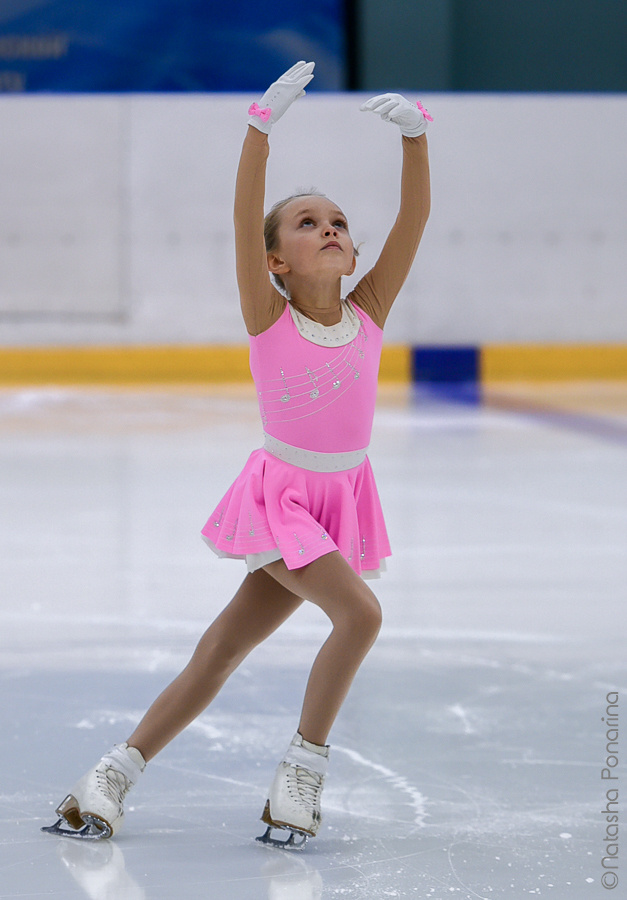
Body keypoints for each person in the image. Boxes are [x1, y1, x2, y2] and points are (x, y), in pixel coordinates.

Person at [42, 61, 431, 849]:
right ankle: (301, 775)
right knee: (359, 614)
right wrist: (258, 129)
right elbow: (239, 217)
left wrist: (415, 141)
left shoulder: (371, 309)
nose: (328, 228)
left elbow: (414, 221)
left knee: (221, 649)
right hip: (284, 502)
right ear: (276, 262)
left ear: (354, 255)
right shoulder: (268, 318)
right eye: (304, 223)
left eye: (338, 222)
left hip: (341, 498)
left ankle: (109, 776)